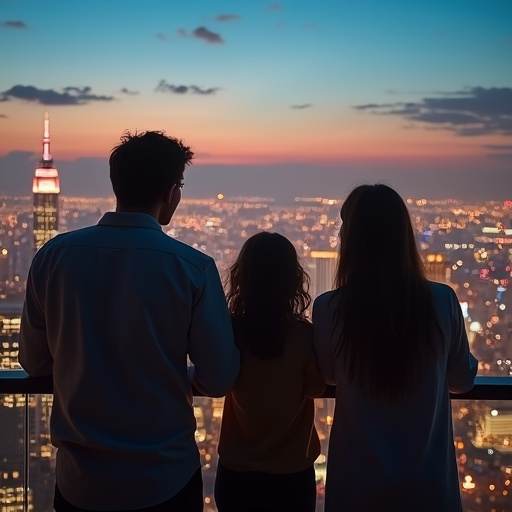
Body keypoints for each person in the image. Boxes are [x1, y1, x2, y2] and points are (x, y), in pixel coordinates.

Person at [19, 130, 240, 512]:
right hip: (164, 478)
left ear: (116, 183)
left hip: (80, 482)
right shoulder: (192, 268)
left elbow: (35, 363)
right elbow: (219, 377)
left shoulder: (53, 258)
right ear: (171, 191)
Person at [313, 184, 478, 512]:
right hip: (427, 485)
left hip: (356, 484)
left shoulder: (330, 307)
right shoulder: (442, 301)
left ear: (351, 241)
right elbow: (462, 380)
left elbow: (329, 376)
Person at [214, 232, 325, 512]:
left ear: (242, 279)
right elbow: (316, 387)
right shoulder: (302, 336)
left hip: (236, 472)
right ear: (292, 280)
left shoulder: (230, 332)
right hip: (291, 473)